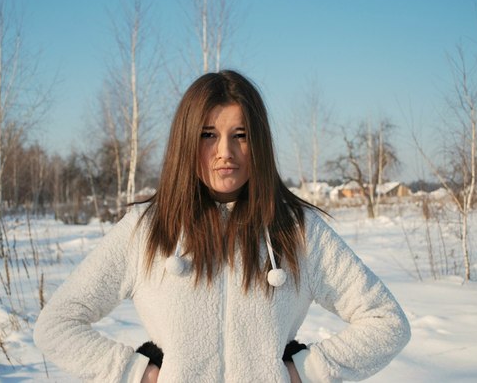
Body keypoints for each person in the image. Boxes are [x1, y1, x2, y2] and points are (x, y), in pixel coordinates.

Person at [33, 70, 410, 382]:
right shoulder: (147, 230)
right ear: (186, 141)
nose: (225, 152)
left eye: (240, 135)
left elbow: (387, 322)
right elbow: (57, 325)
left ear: (258, 143)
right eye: (208, 135)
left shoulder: (297, 229)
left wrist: (305, 372)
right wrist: (138, 374)